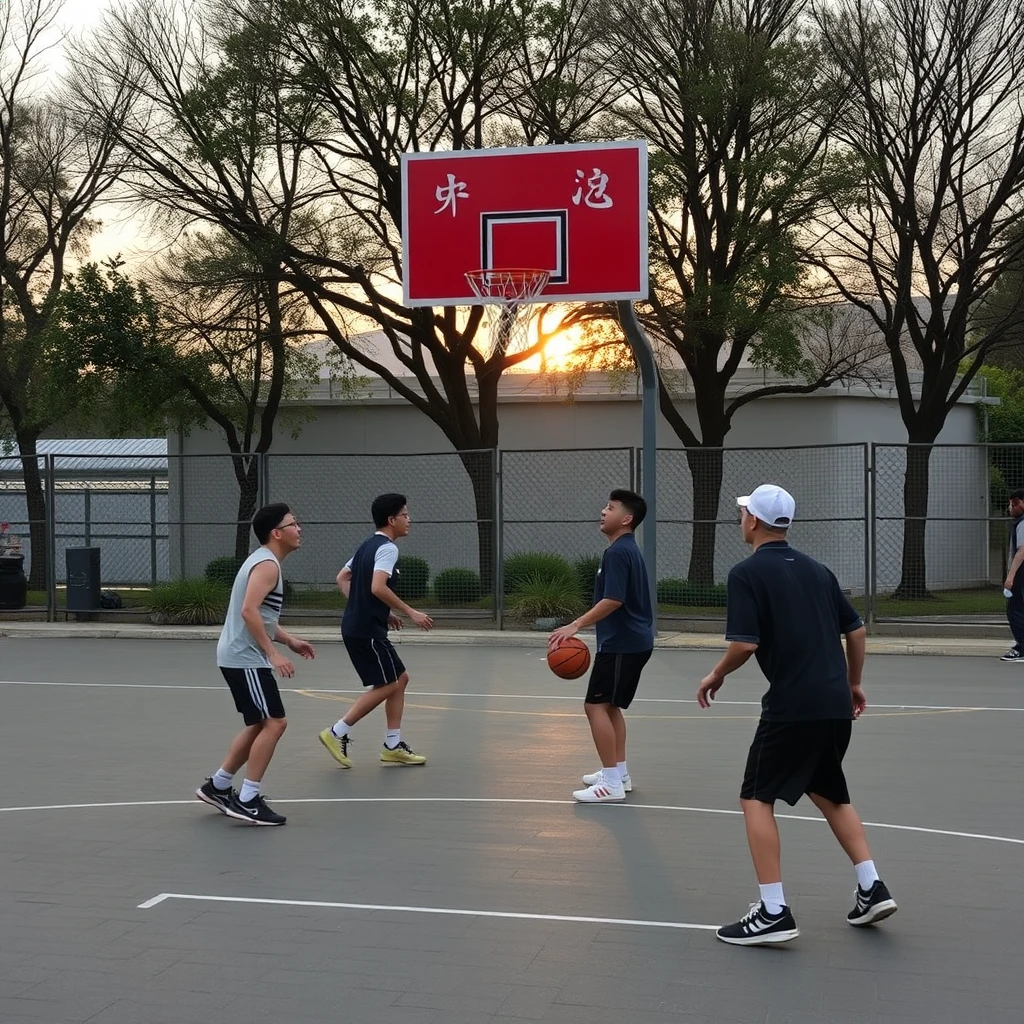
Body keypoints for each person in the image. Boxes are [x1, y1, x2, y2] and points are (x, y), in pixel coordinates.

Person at [697, 483, 897, 946]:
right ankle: (872, 886)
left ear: (752, 521)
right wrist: (852, 683)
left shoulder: (746, 573)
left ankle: (772, 911)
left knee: (755, 796)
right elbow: (857, 630)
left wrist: (715, 674)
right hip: (833, 704)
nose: (741, 518)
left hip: (793, 707)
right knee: (829, 792)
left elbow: (746, 643)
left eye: (744, 512)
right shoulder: (818, 570)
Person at [196, 503, 315, 826]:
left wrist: (288, 640)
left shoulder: (264, 562)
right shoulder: (267, 566)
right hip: (245, 658)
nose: (299, 528)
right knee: (275, 723)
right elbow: (249, 611)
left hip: (238, 656)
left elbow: (260, 616)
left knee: (259, 724)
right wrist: (273, 654)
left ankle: (218, 786)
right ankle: (247, 798)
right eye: (293, 523)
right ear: (277, 533)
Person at [549, 489, 655, 803]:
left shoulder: (619, 552)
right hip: (630, 641)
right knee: (609, 707)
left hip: (622, 642)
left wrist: (576, 625)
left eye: (610, 507)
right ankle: (618, 772)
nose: (603, 511)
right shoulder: (624, 549)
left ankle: (611, 783)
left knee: (594, 706)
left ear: (626, 519)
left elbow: (614, 600)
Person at [319, 493, 433, 767]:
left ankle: (392, 745)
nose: (409, 520)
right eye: (405, 515)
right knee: (388, 683)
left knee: (400, 678)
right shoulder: (388, 548)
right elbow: (377, 586)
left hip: (362, 625)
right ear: (391, 520)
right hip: (365, 629)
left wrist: (376, 610)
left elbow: (342, 577)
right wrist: (410, 612)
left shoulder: (366, 546)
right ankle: (336, 732)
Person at [1001, 489, 1024, 662]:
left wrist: (1011, 576)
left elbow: (1022, 551)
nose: (1010, 507)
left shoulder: (1022, 523)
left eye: (1014, 503)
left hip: (1021, 573)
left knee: (1014, 609)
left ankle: (1021, 647)